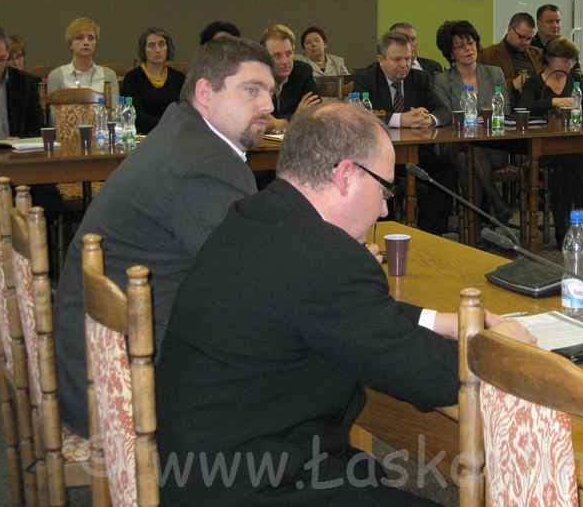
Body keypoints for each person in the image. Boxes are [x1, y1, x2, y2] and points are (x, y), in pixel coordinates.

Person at [156, 103, 535, 506]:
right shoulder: (325, 257)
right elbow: (431, 378)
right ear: (346, 175)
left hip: (197, 466)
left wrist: (435, 320)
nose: (385, 208)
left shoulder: (257, 215)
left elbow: (346, 315)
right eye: (385, 189)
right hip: (256, 486)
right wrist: (498, 348)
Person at [53, 36, 275, 439]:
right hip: (125, 392)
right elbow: (251, 287)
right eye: (252, 90)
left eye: (270, 93)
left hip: (89, 369)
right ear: (205, 92)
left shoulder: (180, 129)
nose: (268, 106)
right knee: (300, 364)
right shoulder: (210, 163)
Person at [354, 30, 457, 235]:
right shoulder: (366, 79)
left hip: (414, 153)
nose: (404, 65)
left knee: (448, 171)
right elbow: (359, 116)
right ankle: (387, 233)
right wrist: (401, 119)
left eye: (408, 59)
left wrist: (430, 119)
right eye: (397, 60)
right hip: (378, 154)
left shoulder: (419, 78)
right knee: (379, 177)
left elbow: (444, 111)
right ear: (381, 59)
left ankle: (429, 234)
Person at [517, 36, 583, 248]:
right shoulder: (534, 83)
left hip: (571, 144)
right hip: (544, 148)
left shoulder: (575, 79)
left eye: (572, 60)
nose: (569, 64)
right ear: (549, 58)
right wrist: (552, 101)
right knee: (570, 160)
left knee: (566, 163)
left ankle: (564, 232)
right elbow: (523, 107)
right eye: (564, 60)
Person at [434, 20, 513, 224]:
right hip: (456, 143)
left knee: (466, 159)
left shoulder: (495, 74)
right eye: (460, 46)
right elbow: (446, 117)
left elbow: (505, 111)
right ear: (451, 54)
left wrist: (476, 120)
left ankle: (475, 230)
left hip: (493, 144)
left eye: (471, 43)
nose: (469, 49)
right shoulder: (442, 80)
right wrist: (479, 119)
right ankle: (496, 201)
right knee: (467, 153)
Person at [0, 24, 63, 217]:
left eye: (1, 59)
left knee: (50, 200)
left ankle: (37, 237)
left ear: (8, 53)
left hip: (17, 163)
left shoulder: (25, 82)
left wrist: (19, 140)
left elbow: (38, 128)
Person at [120, 27, 187, 134]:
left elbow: (185, 110)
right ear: (143, 50)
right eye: (151, 45)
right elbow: (134, 114)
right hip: (143, 135)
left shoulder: (178, 78)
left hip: (174, 134)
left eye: (162, 44)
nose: (158, 50)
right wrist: (164, 125)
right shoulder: (132, 78)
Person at [46, 17, 119, 105]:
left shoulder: (109, 75)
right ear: (70, 44)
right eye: (80, 38)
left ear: (96, 43)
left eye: (91, 38)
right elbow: (54, 112)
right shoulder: (56, 76)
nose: (86, 42)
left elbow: (115, 109)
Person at [261, 24, 320, 131]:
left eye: (289, 53)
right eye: (277, 56)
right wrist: (296, 117)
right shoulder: (257, 76)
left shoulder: (303, 72)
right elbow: (261, 119)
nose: (285, 61)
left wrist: (285, 122)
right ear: (265, 58)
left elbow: (314, 112)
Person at [478, 12, 543, 103]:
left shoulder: (540, 54)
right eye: (521, 37)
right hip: (508, 106)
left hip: (537, 105)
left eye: (529, 39)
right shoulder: (487, 55)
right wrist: (511, 85)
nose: (525, 42)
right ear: (510, 29)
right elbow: (483, 89)